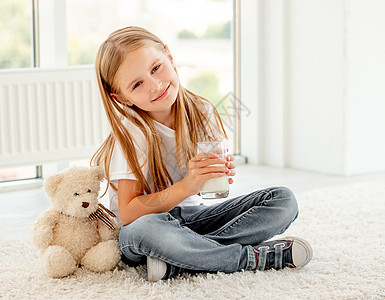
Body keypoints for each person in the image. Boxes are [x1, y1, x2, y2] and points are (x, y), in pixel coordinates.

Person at [91, 26, 312, 282]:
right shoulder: (133, 133)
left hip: (192, 219)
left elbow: (207, 187)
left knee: (283, 200)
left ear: (169, 57)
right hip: (144, 229)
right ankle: (247, 258)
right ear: (122, 99)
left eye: (156, 68)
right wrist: (187, 186)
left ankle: (182, 259)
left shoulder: (201, 111)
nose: (155, 85)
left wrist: (214, 173)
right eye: (138, 84)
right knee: (147, 230)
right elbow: (129, 213)